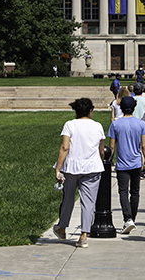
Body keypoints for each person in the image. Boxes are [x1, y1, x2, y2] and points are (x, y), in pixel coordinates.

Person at [53, 98, 105, 249]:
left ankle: (62, 228)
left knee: (68, 198)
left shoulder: (70, 125)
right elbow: (101, 149)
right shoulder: (97, 126)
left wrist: (58, 168)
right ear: (90, 111)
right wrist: (100, 161)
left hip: (72, 167)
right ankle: (83, 235)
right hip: (92, 167)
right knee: (88, 202)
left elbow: (65, 147)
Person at [108, 95, 145, 234]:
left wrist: (108, 161)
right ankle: (132, 218)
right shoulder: (141, 124)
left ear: (120, 107)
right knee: (135, 192)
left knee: (123, 192)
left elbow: (112, 147)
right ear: (134, 107)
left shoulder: (115, 124)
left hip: (122, 163)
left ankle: (128, 218)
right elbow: (144, 146)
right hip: (136, 163)